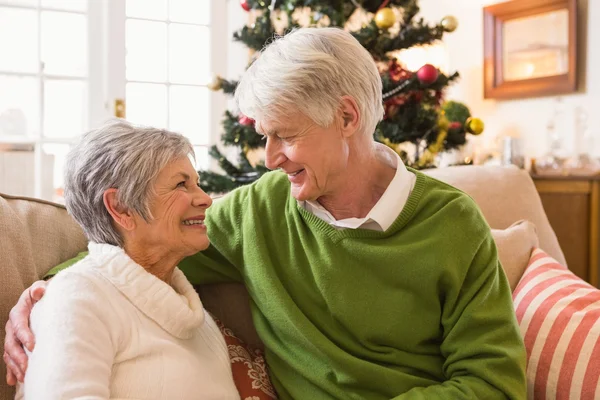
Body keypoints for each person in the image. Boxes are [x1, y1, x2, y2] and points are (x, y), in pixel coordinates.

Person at [5, 27, 526, 399]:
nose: (271, 158)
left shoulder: (453, 223)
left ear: (346, 117)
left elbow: (493, 382)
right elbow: (141, 248)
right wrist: (43, 293)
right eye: (264, 136)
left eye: (287, 135)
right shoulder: (259, 210)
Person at [11, 120, 240, 399]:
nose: (206, 199)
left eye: (198, 184)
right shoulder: (78, 297)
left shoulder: (196, 317)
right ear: (121, 208)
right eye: (182, 184)